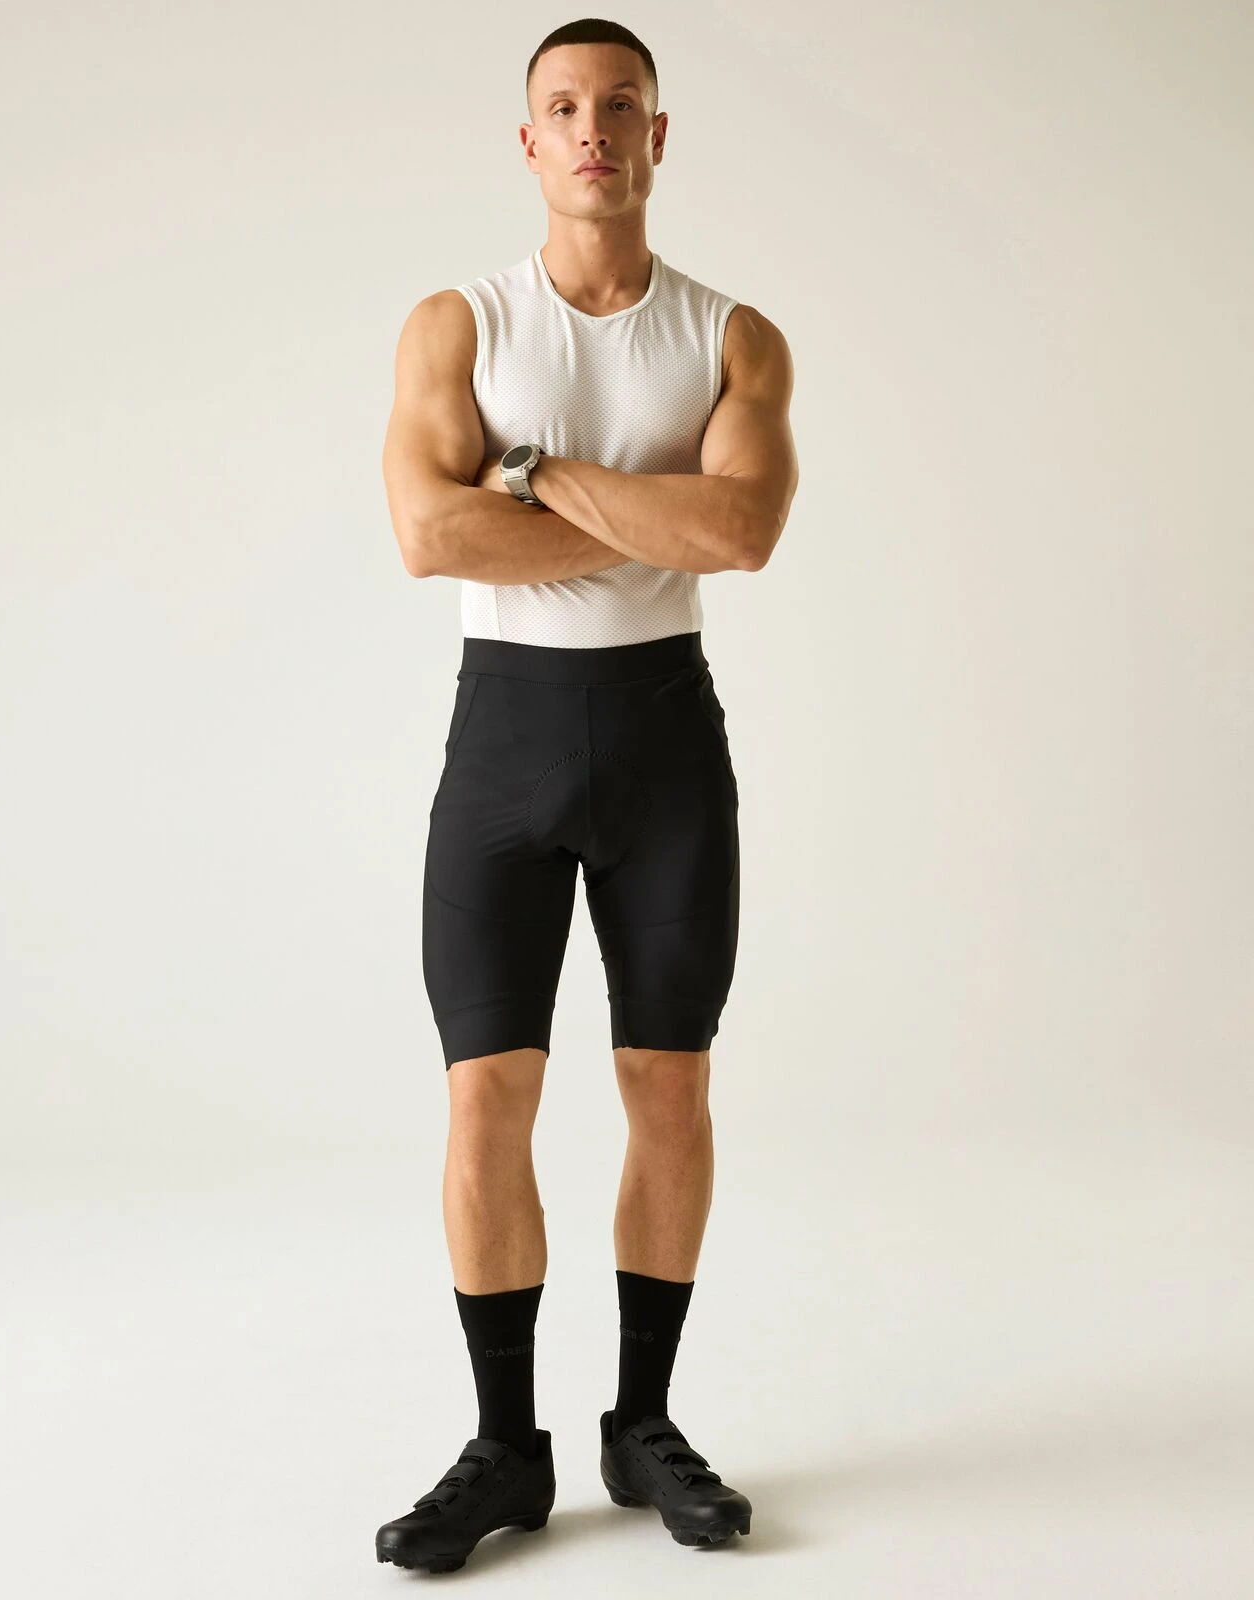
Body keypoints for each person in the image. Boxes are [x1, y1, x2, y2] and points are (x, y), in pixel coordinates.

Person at [376, 17, 798, 1573]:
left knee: (667, 1088)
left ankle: (642, 1423)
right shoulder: (459, 324)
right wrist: (650, 515)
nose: (594, 129)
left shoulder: (732, 337)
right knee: (487, 1092)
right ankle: (507, 1447)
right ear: (531, 141)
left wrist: (537, 474)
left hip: (664, 743)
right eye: (564, 107)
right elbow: (429, 538)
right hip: (505, 741)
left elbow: (741, 534)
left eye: (621, 106)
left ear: (657, 135)